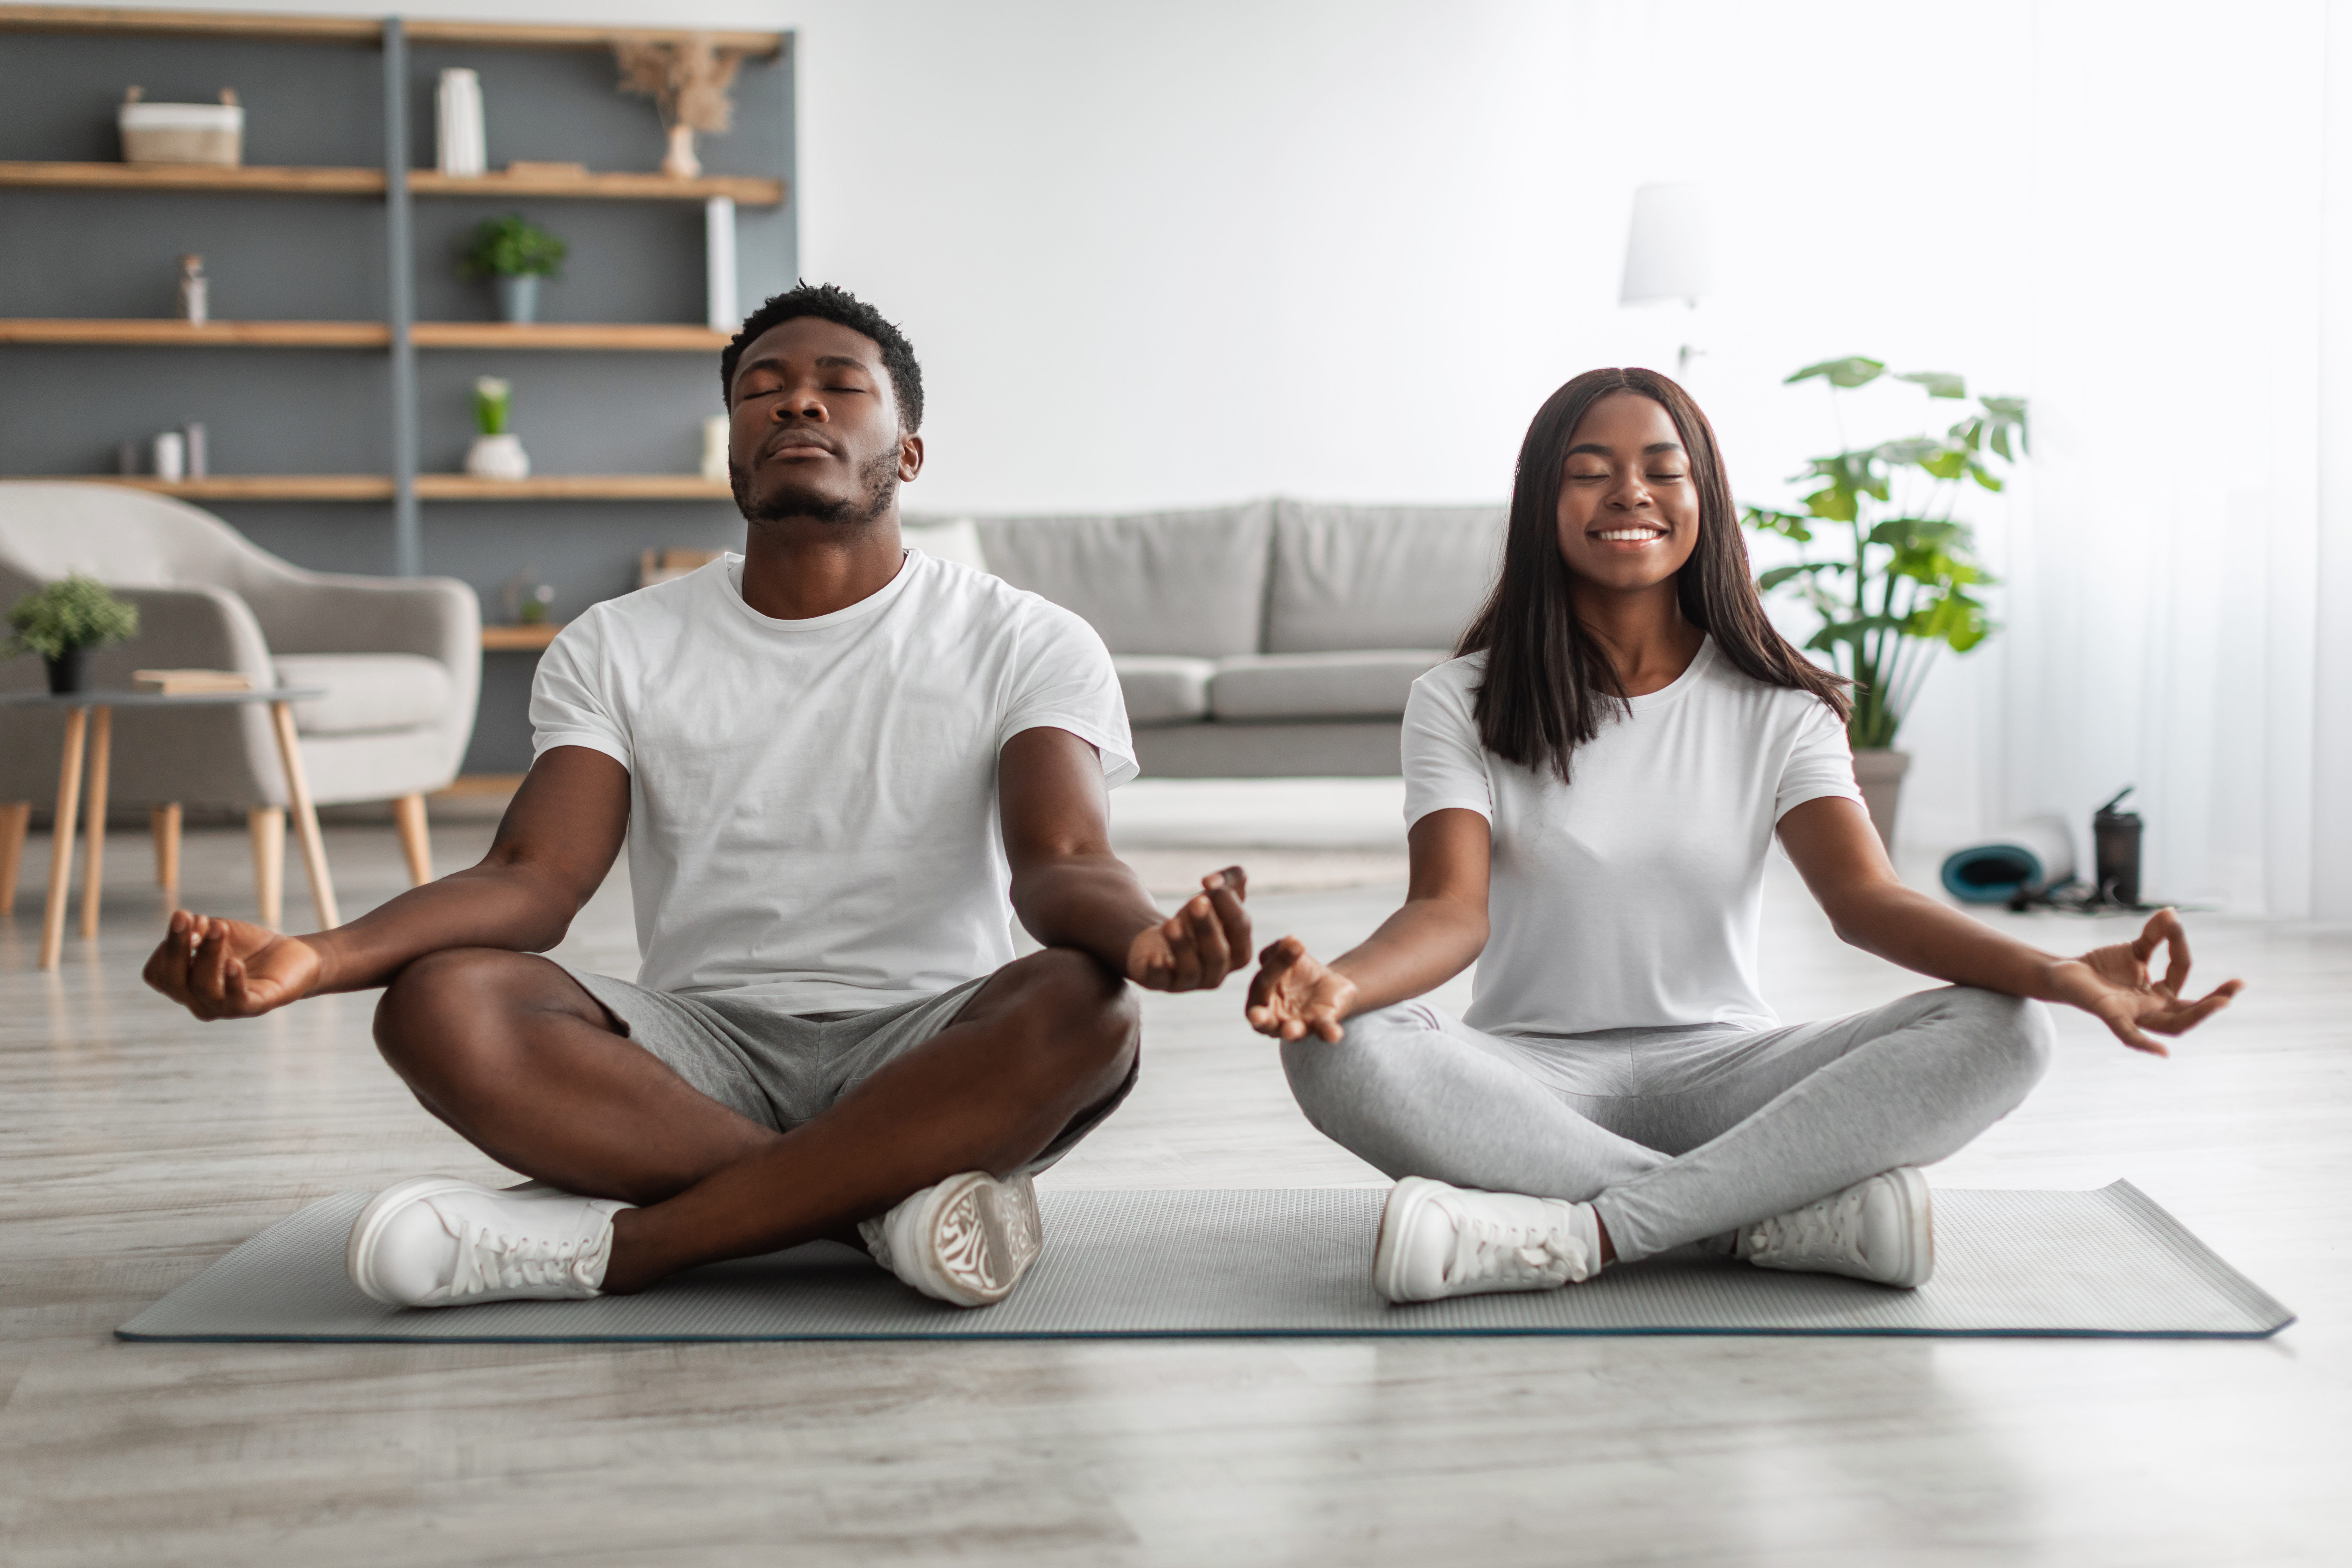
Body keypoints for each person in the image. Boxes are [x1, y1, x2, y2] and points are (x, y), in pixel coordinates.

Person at [144, 283, 1254, 1311]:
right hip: (691, 1058)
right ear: (733, 452)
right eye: (761, 390)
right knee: (439, 1003)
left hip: (934, 1050)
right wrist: (319, 958)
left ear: (909, 453)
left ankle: (631, 1248)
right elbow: (533, 879)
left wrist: (1146, 939)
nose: (796, 402)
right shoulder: (618, 644)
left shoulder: (1028, 639)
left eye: (840, 385)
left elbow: (1062, 862)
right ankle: (884, 1214)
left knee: (1090, 1004)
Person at [1244, 367, 2241, 1304]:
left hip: (1728, 1074)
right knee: (1336, 1046)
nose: (1629, 493)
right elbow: (1449, 911)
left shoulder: (1784, 706)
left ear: (1704, 500)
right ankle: (1764, 1216)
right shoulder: (1457, 699)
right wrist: (1341, 985)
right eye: (1589, 473)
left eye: (1662, 470)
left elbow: (1866, 902)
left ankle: (1589, 1232)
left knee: (2010, 1028)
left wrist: (2054, 972)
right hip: (1527, 1083)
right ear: (1541, 506)